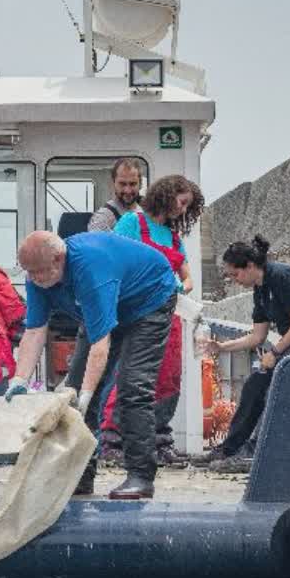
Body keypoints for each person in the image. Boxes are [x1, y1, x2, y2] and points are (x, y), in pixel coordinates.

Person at [4, 230, 180, 500]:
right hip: (104, 308)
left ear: (59, 259)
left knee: (133, 387)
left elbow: (100, 345)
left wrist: (86, 394)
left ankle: (141, 476)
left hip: (148, 300)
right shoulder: (36, 277)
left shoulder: (90, 268)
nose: (36, 279)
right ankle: (79, 478)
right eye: (29, 273)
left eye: (40, 272)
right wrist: (19, 379)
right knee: (72, 393)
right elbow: (35, 330)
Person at [197, 235, 290, 469]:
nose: (234, 280)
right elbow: (257, 336)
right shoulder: (260, 290)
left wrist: (274, 353)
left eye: (236, 274)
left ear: (251, 266)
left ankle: (258, 449)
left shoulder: (279, 277)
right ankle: (230, 449)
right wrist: (222, 347)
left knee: (277, 375)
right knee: (256, 382)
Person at [104, 175, 204, 461]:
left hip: (168, 314)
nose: (183, 211)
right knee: (130, 374)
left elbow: (187, 278)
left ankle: (159, 440)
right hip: (135, 312)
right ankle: (112, 439)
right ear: (168, 194)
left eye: (188, 207)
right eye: (182, 203)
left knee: (168, 377)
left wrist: (178, 289)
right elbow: (117, 263)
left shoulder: (172, 236)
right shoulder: (132, 223)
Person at [86, 157, 147, 232]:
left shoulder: (147, 214)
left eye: (132, 184)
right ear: (113, 184)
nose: (127, 190)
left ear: (140, 184)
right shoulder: (102, 218)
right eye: (122, 184)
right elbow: (94, 242)